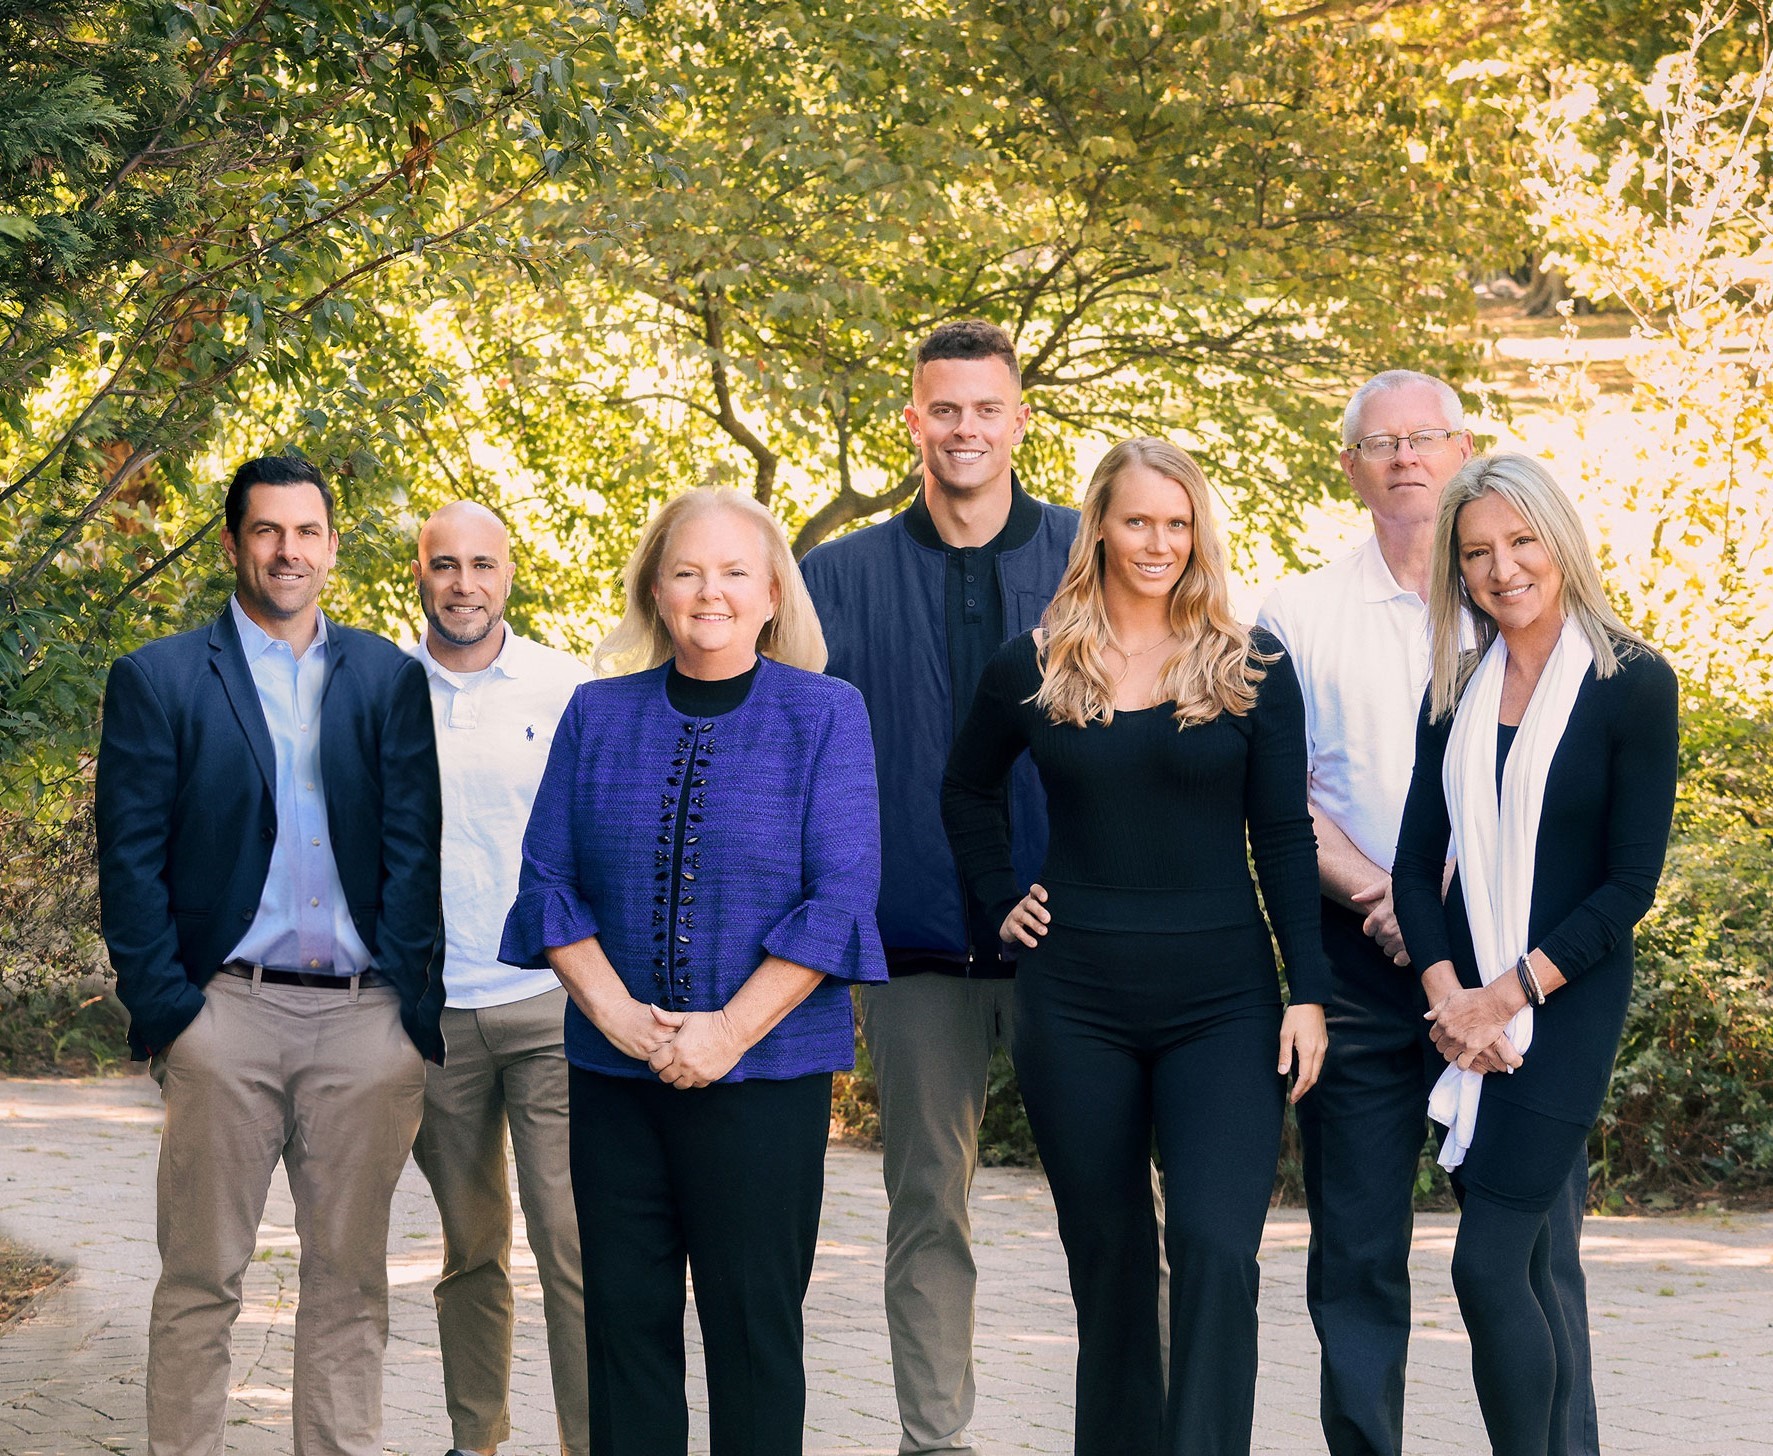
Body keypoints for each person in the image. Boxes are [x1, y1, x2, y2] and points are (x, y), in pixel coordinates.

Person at [941, 436, 1330, 1456]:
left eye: (1177, 520)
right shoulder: (1034, 661)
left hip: (1224, 1002)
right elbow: (965, 788)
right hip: (1075, 1002)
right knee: (1109, 1258)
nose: (1158, 541)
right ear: (1100, 528)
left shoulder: (1251, 667)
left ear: (1198, 530)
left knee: (1213, 1245)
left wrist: (1309, 991)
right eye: (1137, 520)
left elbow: (1284, 836)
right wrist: (996, 896)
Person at [498, 487, 887, 1456]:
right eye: (686, 571)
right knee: (624, 1330)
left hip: (766, 1082)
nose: (709, 591)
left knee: (754, 1335)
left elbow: (838, 897)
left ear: (770, 594)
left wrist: (724, 1032)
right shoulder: (595, 716)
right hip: (614, 1080)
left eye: (733, 572)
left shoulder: (826, 715)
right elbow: (548, 883)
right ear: (655, 590)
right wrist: (623, 1018)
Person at [1257, 370, 1601, 1456]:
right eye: (1381, 441)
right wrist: (1385, 897)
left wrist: (1465, 940)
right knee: (1354, 1252)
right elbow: (1277, 796)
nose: (1405, 456)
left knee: (1534, 1251)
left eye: (1427, 437)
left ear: (1465, 452)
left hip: (1510, 982)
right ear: (1350, 465)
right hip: (1361, 967)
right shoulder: (1296, 612)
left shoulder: (1527, 605)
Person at [95, 455, 443, 1456]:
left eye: (306, 532)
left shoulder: (387, 679)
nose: (288, 550)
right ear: (233, 543)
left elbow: (415, 855)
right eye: (267, 531)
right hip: (226, 1017)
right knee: (202, 1281)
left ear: (332, 548)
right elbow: (129, 861)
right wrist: (174, 1013)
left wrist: (404, 1020)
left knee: (348, 1285)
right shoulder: (160, 678)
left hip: (362, 1023)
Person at [799, 319, 1082, 1456]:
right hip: (912, 947)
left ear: (1019, 420)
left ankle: (1133, 1426)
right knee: (927, 1207)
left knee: (1108, 1203)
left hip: (1074, 940)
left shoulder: (1088, 554)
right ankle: (936, 1439)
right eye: (944, 408)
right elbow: (788, 749)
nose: (965, 428)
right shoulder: (840, 576)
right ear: (912, 420)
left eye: (986, 408)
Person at [1392, 453, 1677, 1456]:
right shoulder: (1456, 690)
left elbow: (1626, 888)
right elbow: (1416, 862)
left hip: (1564, 1009)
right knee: (1523, 1272)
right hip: (1468, 1018)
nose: (1502, 568)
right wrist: (1449, 1000)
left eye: (1520, 542)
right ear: (1458, 573)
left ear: (1559, 541)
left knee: (1488, 1265)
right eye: (1477, 553)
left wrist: (1504, 996)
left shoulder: (1631, 684)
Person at [408, 501, 593, 1456]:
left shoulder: (568, 688)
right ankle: (472, 1439)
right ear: (420, 575)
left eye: (482, 563)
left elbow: (603, 842)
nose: (464, 583)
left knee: (571, 1246)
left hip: (549, 1005)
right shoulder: (381, 689)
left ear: (509, 574)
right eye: (446, 565)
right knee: (469, 1250)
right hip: (434, 1021)